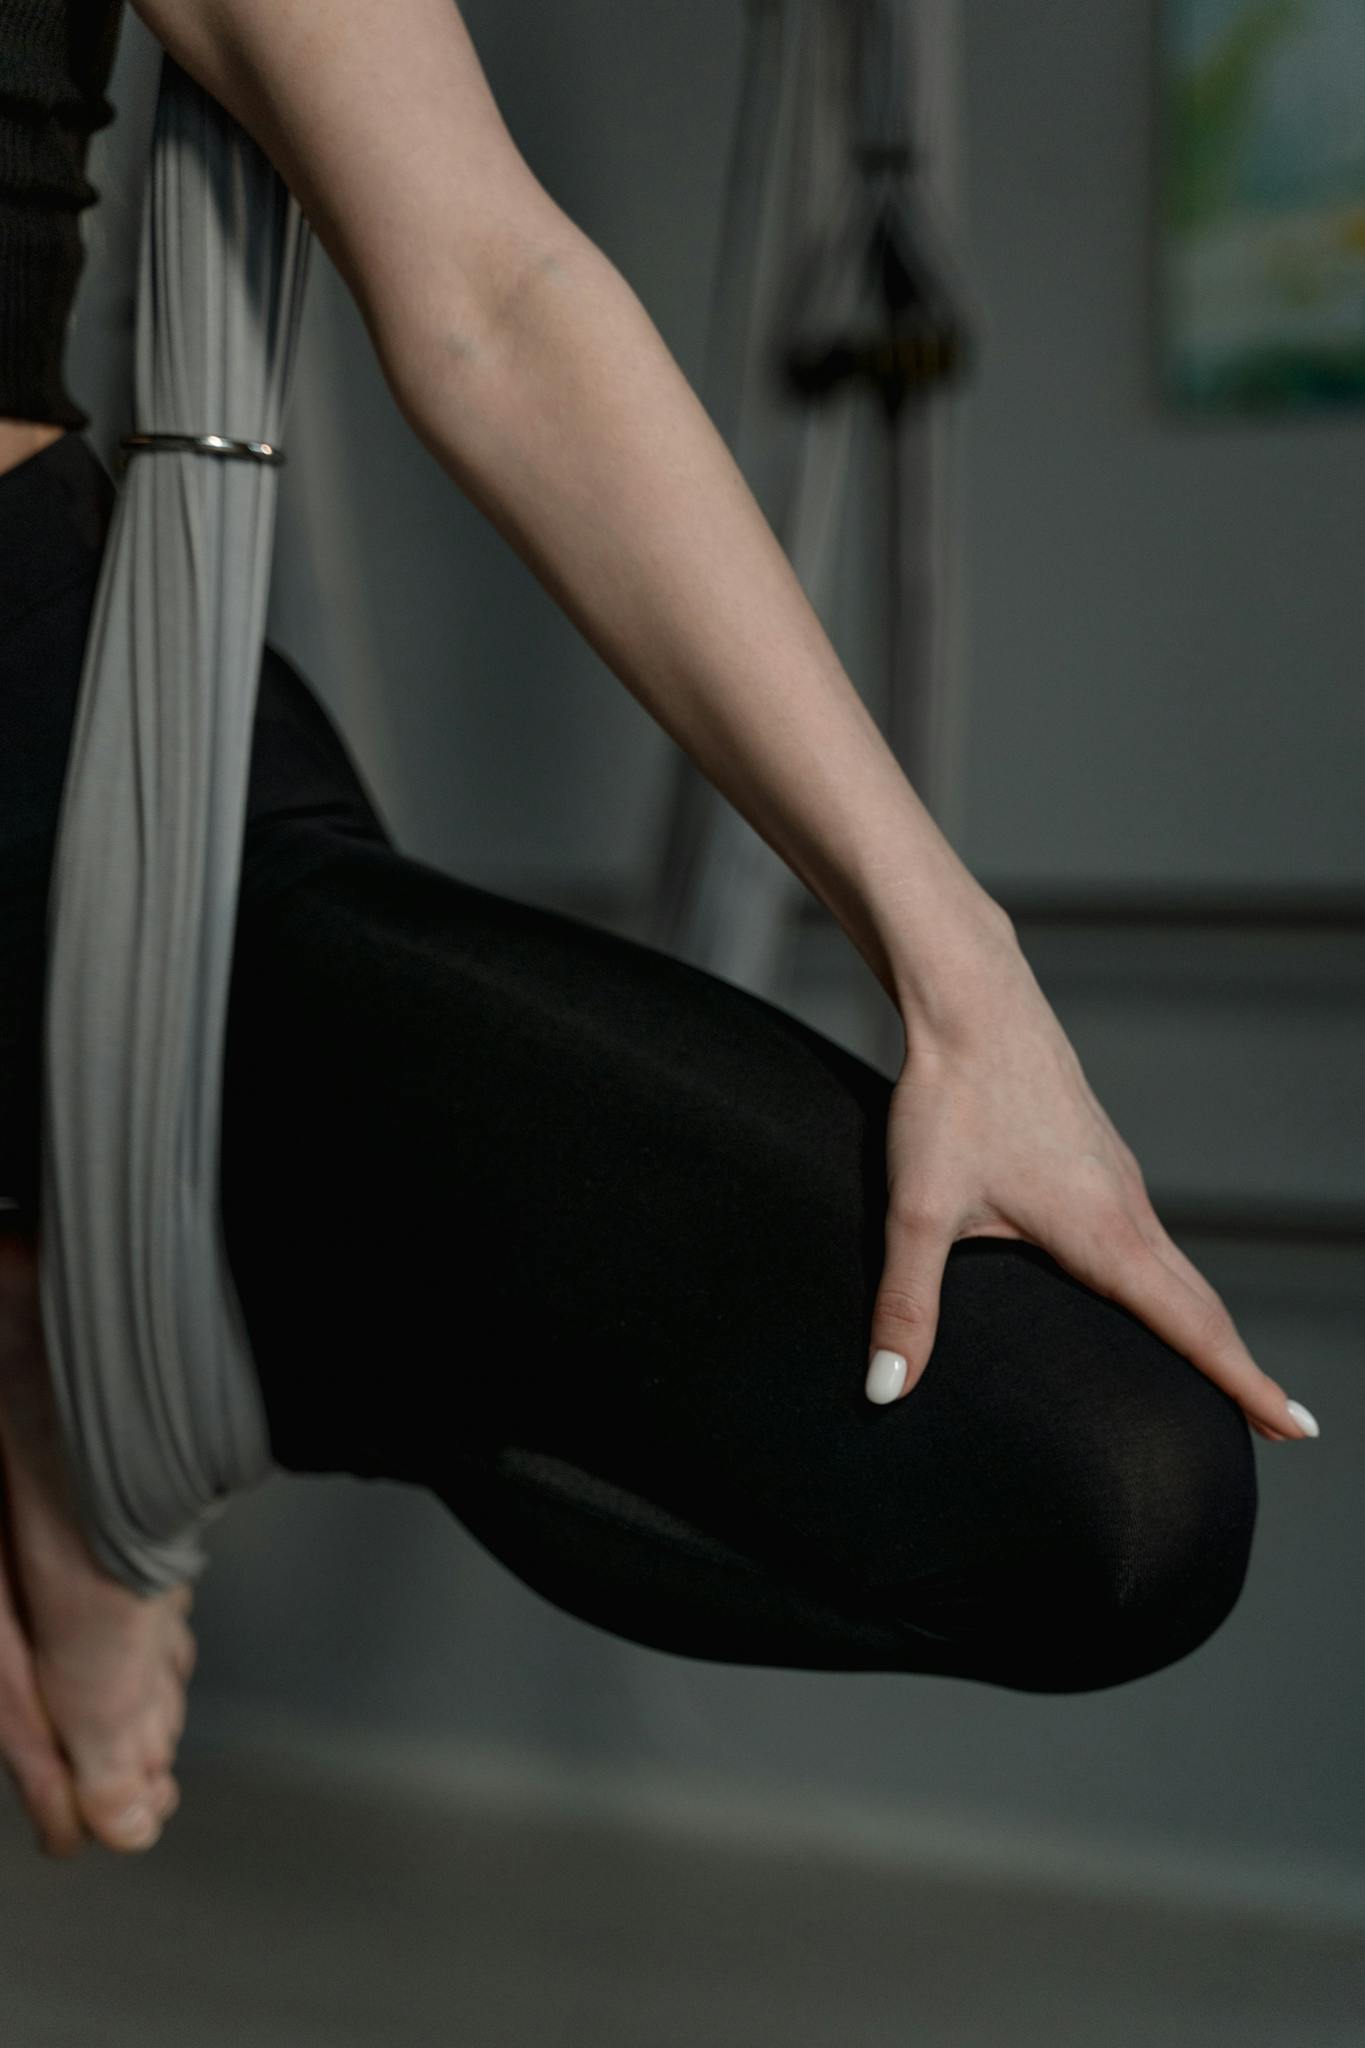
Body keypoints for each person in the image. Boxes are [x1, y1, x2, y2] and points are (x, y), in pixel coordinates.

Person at [0, 0, 1315, 1864]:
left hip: (57, 790)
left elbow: (494, 289)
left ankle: (90, 1335)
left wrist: (972, 990)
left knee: (1105, 1493)